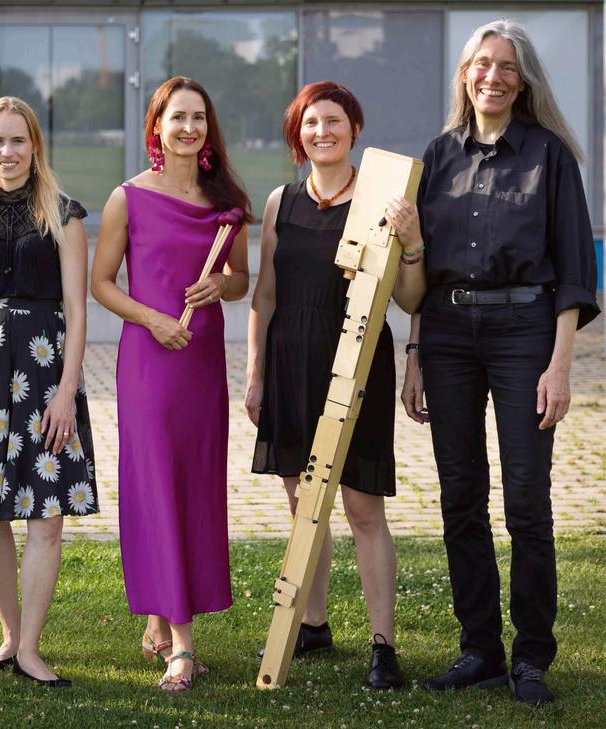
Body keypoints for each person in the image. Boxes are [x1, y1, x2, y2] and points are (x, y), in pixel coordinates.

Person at [400, 19, 599, 707]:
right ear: (465, 75)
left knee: (526, 499)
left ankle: (532, 657)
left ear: (524, 81)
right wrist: (415, 354)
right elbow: (418, 268)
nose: (493, 76)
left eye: (507, 66)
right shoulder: (438, 156)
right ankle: (479, 649)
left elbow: (575, 270)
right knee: (460, 495)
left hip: (525, 332)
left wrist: (559, 365)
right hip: (447, 332)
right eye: (482, 64)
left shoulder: (550, 156)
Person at [245, 81, 426, 690]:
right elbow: (265, 296)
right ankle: (313, 623)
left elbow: (410, 299)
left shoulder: (383, 200)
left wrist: (412, 244)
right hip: (290, 361)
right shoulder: (281, 202)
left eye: (333, 121)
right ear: (297, 135)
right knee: (304, 505)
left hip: (357, 361)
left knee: (361, 508)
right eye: (311, 123)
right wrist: (255, 375)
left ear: (355, 129)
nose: (322, 132)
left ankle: (383, 646)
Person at [90, 76, 250, 692]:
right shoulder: (127, 197)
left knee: (193, 484)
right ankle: (182, 646)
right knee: (156, 483)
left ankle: (160, 620)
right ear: (156, 125)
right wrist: (152, 318)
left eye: (198, 118)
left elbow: (240, 279)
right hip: (150, 361)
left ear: (209, 129)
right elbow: (102, 283)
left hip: (202, 360)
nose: (189, 128)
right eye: (177, 117)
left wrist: (222, 286)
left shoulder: (225, 202)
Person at [0, 97, 99, 688]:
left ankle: (31, 648)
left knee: (46, 514)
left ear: (35, 147)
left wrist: (66, 391)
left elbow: (78, 310)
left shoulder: (64, 213)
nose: (7, 152)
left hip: (43, 367)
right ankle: (8, 637)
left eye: (17, 141)